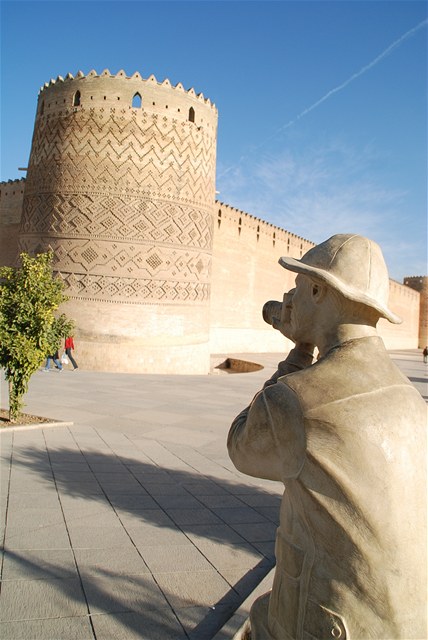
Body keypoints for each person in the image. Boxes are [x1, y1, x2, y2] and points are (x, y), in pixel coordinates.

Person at [228, 234, 426, 640]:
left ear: (318, 290)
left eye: (298, 287)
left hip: (331, 622)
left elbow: (241, 446)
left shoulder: (298, 398)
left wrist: (297, 355)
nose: (289, 298)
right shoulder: (410, 396)